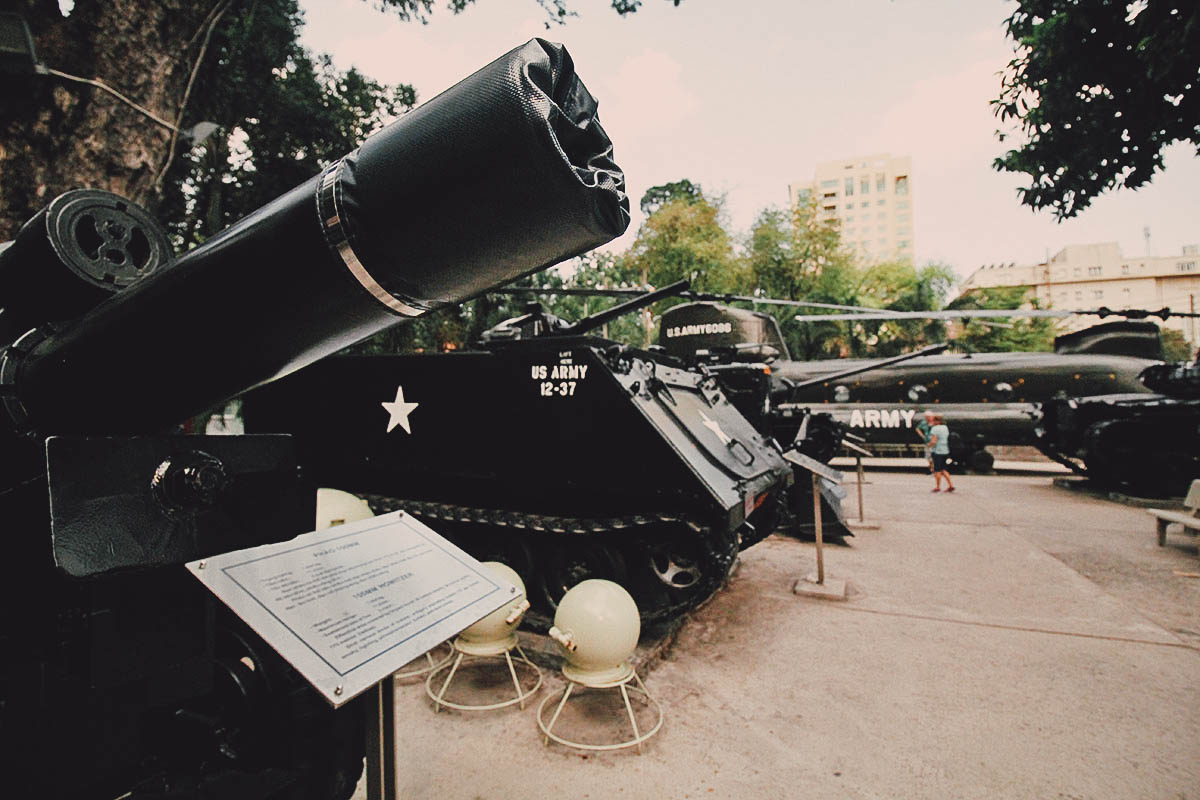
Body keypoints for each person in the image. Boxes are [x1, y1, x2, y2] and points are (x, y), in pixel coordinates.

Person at [927, 414, 955, 493]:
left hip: (937, 451)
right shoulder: (945, 428)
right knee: (943, 469)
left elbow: (933, 441)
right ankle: (951, 485)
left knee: (937, 470)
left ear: (936, 421)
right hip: (945, 450)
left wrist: (929, 445)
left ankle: (938, 487)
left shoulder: (935, 429)